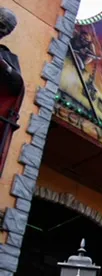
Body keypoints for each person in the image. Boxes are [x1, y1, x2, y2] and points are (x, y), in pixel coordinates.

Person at [0, 7, 24, 168]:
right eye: (2, 25)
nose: (3, 31)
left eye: (6, 29)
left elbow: (18, 84)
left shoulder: (6, 56)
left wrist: (3, 65)